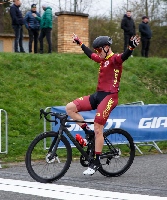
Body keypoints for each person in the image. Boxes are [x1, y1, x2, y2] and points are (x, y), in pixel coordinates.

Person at [66, 33, 140, 176]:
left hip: (110, 96)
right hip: (98, 95)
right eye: (96, 50)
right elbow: (90, 55)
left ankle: (96, 161)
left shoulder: (115, 59)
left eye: (99, 50)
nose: (97, 53)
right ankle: (88, 133)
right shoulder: (102, 59)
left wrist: (131, 47)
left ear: (106, 48)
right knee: (70, 108)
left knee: (98, 126)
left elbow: (124, 56)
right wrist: (80, 43)